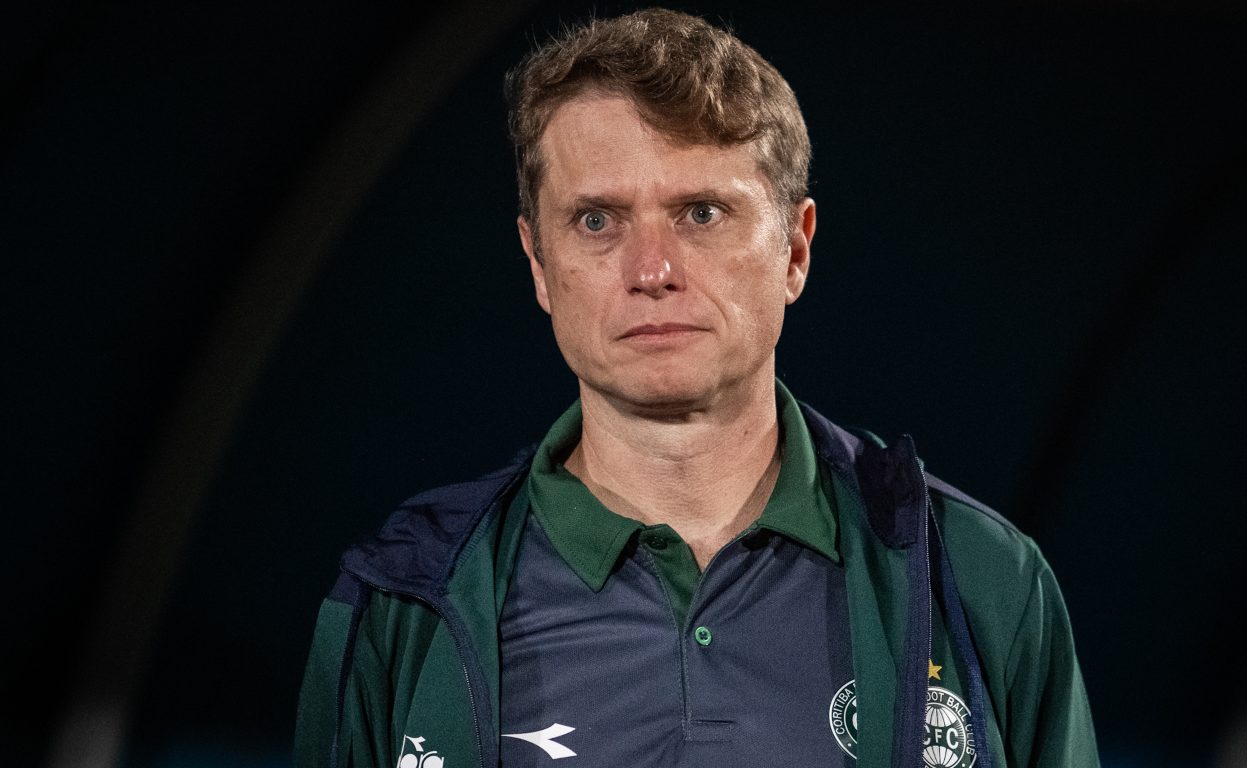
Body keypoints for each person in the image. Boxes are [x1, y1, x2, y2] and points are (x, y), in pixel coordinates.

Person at [295, 9, 1098, 767]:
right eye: (597, 221)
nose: (653, 272)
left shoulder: (976, 578)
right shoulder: (404, 602)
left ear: (795, 250)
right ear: (538, 263)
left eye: (702, 213)